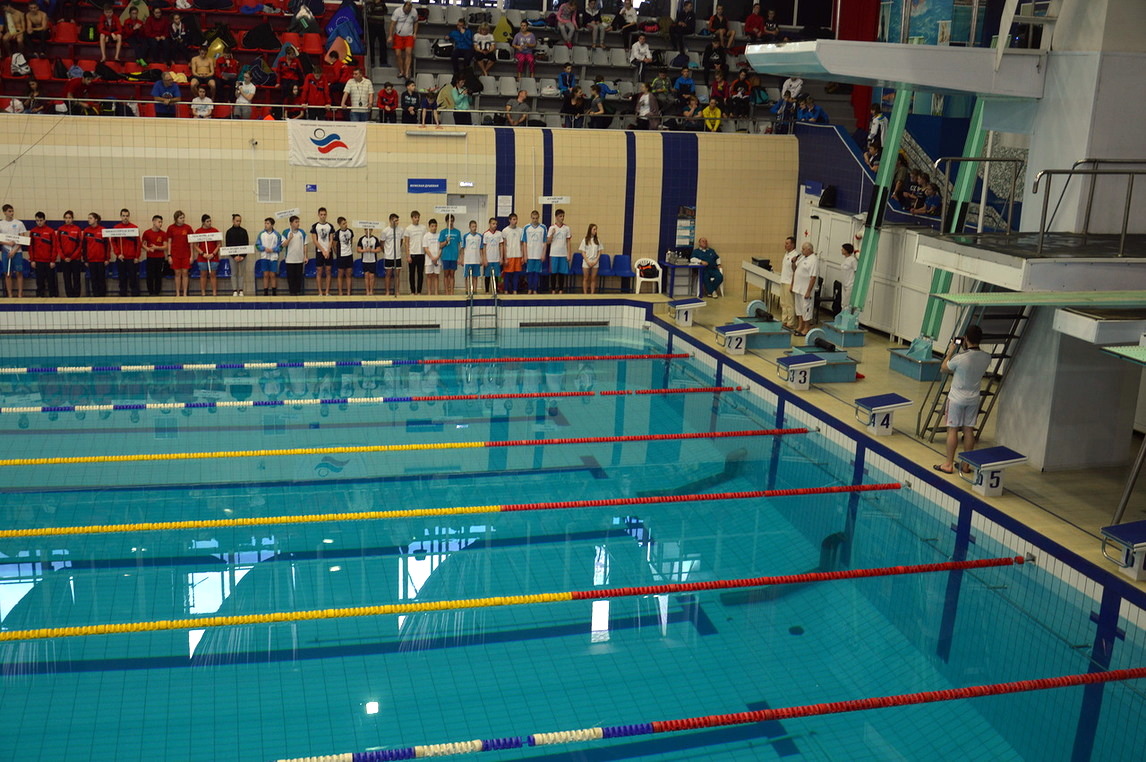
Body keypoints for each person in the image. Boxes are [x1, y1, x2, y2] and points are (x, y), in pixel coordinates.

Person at [934, 325, 991, 475]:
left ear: (965, 339)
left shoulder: (960, 358)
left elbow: (944, 367)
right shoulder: (987, 357)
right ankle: (966, 465)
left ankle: (948, 464)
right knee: (968, 430)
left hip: (956, 398)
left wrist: (950, 352)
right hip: (973, 398)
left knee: (952, 429)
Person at [112, 207, 141, 297]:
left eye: (127, 216)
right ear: (121, 216)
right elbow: (113, 242)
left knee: (133, 277)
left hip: (132, 258)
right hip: (121, 258)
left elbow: (138, 243)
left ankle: (135, 294)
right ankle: (123, 294)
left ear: (129, 216)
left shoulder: (134, 228)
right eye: (123, 216)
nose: (125, 218)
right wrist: (118, 254)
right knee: (122, 277)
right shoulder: (116, 228)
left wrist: (137, 256)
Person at [0, 204, 27, 298]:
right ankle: (10, 295)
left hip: (17, 252)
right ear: (4, 212)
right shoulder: (1, 224)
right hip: (5, 252)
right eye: (9, 211)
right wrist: (7, 243)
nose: (11, 213)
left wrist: (14, 251)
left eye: (12, 211)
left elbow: (23, 239)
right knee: (7, 273)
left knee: (19, 272)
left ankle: (20, 294)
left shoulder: (19, 223)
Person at [791, 242, 818, 335]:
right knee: (799, 309)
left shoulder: (813, 260)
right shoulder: (802, 257)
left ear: (809, 249)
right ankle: (800, 326)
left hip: (805, 290)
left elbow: (813, 277)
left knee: (806, 309)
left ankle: (806, 328)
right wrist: (793, 262)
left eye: (803, 249)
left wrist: (808, 291)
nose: (801, 251)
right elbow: (795, 270)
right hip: (798, 288)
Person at [56, 210, 84, 298]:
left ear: (72, 219)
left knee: (76, 278)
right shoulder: (60, 230)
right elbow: (58, 245)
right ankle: (69, 296)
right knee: (67, 278)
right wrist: (63, 257)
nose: (68, 220)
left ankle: (77, 296)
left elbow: (80, 245)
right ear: (64, 219)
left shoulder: (77, 229)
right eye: (66, 218)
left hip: (75, 259)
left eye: (69, 218)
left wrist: (72, 257)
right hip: (64, 259)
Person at [28, 212, 56, 298]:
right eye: (37, 220)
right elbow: (31, 247)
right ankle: (40, 296)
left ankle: (53, 296)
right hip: (38, 261)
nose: (39, 222)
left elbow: (54, 246)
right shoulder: (33, 231)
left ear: (44, 220)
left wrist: (53, 260)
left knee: (51, 280)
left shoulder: (50, 231)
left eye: (41, 220)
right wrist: (32, 260)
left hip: (49, 261)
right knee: (39, 281)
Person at [388, 0, 418, 81]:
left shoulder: (414, 12)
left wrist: (415, 33)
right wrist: (390, 36)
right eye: (406, 10)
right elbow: (392, 24)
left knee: (408, 52)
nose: (407, 11)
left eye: (409, 10)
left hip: (409, 35)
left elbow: (416, 22)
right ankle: (401, 71)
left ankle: (407, 72)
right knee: (398, 54)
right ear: (403, 7)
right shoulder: (397, 11)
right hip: (398, 35)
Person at [167, 210, 193, 297]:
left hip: (186, 254)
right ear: (176, 219)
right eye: (181, 218)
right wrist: (169, 255)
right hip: (175, 255)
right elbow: (169, 242)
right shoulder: (171, 228)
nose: (183, 219)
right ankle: (178, 293)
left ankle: (185, 293)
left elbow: (191, 243)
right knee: (177, 273)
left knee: (185, 273)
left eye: (183, 218)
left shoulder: (188, 228)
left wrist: (191, 256)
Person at [83, 212, 109, 297]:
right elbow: (84, 246)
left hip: (101, 260)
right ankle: (95, 297)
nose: (88, 220)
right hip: (91, 260)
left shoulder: (103, 230)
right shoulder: (86, 231)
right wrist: (85, 259)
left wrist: (107, 258)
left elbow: (107, 246)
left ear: (96, 219)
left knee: (101, 279)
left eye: (90, 218)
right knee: (93, 280)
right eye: (88, 218)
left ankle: (102, 296)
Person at [141, 214, 168, 296]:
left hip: (160, 258)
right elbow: (143, 244)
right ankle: (150, 292)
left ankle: (157, 292)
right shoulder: (147, 233)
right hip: (150, 258)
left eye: (161, 222)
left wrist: (157, 247)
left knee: (158, 276)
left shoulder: (163, 234)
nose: (160, 224)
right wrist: (148, 249)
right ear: (153, 222)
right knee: (150, 276)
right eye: (159, 222)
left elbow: (165, 246)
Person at [193, 214, 220, 297]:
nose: (209, 223)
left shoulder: (215, 231)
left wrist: (213, 254)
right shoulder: (198, 231)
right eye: (207, 221)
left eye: (210, 221)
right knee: (203, 274)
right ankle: (203, 293)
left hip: (213, 257)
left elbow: (219, 244)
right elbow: (195, 245)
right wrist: (203, 253)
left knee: (213, 274)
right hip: (202, 257)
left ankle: (214, 293)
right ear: (203, 222)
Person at [547, 208, 572, 294]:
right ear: (556, 217)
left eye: (563, 216)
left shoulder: (567, 228)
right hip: (554, 253)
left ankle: (561, 289)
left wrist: (569, 253)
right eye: (560, 216)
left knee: (562, 273)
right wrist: (552, 234)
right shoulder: (552, 228)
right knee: (553, 273)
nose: (562, 218)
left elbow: (568, 241)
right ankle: (553, 289)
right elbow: (548, 242)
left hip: (563, 254)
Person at [255, 217, 282, 296]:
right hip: (264, 257)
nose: (266, 225)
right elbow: (257, 245)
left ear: (272, 225)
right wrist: (264, 248)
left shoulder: (277, 235)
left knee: (273, 275)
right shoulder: (261, 234)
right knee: (266, 275)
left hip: (273, 257)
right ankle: (265, 293)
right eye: (265, 223)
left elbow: (280, 246)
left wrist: (273, 250)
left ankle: (274, 293)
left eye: (267, 223)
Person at [311, 208, 334, 296]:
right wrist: (323, 250)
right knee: (319, 271)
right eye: (321, 214)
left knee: (328, 271)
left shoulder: (330, 226)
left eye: (324, 214)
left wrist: (327, 250)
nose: (323, 216)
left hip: (328, 251)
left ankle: (327, 292)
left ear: (326, 215)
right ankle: (320, 292)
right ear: (318, 215)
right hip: (319, 251)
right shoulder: (315, 226)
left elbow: (331, 240)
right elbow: (315, 240)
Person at [522, 210, 546, 294]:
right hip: (530, 255)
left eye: (536, 218)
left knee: (536, 273)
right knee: (530, 273)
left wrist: (543, 254)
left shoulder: (543, 227)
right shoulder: (526, 228)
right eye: (533, 218)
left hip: (538, 254)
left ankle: (535, 289)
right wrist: (525, 255)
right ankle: (529, 289)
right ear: (531, 218)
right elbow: (524, 242)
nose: (535, 220)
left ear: (538, 218)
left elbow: (545, 242)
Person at [282, 215, 307, 296]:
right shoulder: (285, 232)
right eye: (296, 222)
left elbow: (305, 245)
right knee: (291, 277)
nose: (298, 224)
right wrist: (289, 238)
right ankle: (292, 293)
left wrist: (305, 256)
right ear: (291, 223)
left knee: (298, 277)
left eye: (298, 222)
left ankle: (298, 292)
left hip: (299, 259)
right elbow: (283, 245)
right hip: (290, 259)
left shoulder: (302, 232)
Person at [225, 214, 249, 296]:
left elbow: (246, 244)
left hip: (242, 256)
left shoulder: (244, 231)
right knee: (234, 273)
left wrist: (242, 256)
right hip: (233, 256)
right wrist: (234, 256)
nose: (238, 222)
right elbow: (228, 245)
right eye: (237, 221)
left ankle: (241, 290)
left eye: (240, 221)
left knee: (241, 273)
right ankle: (235, 290)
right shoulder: (229, 232)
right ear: (233, 221)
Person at [404, 210, 427, 294]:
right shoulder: (408, 229)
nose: (417, 219)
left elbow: (426, 240)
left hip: (421, 253)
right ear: (412, 218)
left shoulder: (423, 228)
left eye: (418, 217)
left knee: (420, 273)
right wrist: (408, 255)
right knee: (412, 274)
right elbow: (406, 243)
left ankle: (419, 291)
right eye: (415, 217)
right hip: (412, 254)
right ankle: (413, 291)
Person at [777, 235, 797, 328]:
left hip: (789, 282)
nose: (785, 245)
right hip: (783, 280)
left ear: (792, 245)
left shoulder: (795, 255)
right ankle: (784, 320)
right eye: (785, 243)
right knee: (783, 303)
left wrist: (792, 284)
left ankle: (791, 322)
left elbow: (795, 271)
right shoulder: (786, 254)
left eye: (787, 243)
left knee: (790, 304)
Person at [438, 213, 460, 294]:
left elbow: (459, 245)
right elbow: (440, 245)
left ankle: (452, 292)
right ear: (446, 221)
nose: (451, 223)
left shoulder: (457, 232)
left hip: (454, 256)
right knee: (446, 275)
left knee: (452, 275)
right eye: (449, 221)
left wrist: (459, 257)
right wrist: (446, 241)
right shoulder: (443, 232)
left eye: (452, 221)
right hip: (445, 256)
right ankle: (447, 292)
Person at [381, 213, 403, 295]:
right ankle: (387, 292)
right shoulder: (385, 231)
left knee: (397, 275)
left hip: (397, 256)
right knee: (388, 275)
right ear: (390, 221)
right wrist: (386, 252)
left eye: (397, 221)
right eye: (395, 221)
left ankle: (397, 291)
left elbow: (401, 241)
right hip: (388, 256)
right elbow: (382, 243)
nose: (397, 222)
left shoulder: (401, 230)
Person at [332, 217, 355, 296]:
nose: (345, 225)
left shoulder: (350, 231)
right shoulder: (337, 233)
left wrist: (348, 250)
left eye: (346, 223)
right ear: (339, 224)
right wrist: (338, 254)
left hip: (349, 256)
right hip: (341, 256)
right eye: (343, 224)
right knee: (340, 275)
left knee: (349, 275)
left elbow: (351, 243)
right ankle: (340, 292)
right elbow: (334, 245)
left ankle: (348, 292)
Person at [501, 212, 522, 293]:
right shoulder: (505, 231)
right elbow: (504, 245)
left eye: (516, 219)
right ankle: (506, 290)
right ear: (509, 220)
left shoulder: (520, 230)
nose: (515, 221)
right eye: (513, 219)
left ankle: (515, 290)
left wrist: (523, 256)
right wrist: (505, 258)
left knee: (516, 274)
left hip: (518, 255)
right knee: (507, 274)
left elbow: (521, 244)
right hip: (509, 255)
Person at [577, 223, 601, 294]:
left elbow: (599, 252)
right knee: (586, 278)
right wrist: (587, 261)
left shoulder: (597, 240)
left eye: (596, 229)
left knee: (593, 278)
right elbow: (583, 252)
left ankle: (592, 293)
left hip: (595, 261)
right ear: (590, 230)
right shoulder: (585, 240)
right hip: (586, 261)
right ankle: (585, 294)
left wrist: (596, 260)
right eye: (594, 229)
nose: (595, 231)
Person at [461, 219, 483, 295]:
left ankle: (475, 290)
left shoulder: (479, 236)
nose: (474, 228)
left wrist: (481, 259)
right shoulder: (465, 236)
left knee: (475, 276)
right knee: (467, 276)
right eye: (473, 226)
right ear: (469, 227)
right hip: (468, 260)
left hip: (476, 260)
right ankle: (467, 290)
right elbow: (462, 248)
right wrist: (462, 259)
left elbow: (481, 249)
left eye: (475, 226)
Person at [481, 217, 503, 293]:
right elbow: (484, 247)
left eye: (496, 224)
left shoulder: (499, 233)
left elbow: (501, 246)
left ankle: (495, 290)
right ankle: (487, 291)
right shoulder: (486, 234)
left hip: (496, 259)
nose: (495, 225)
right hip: (488, 259)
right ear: (489, 224)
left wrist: (501, 257)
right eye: (493, 224)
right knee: (487, 276)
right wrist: (484, 259)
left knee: (496, 276)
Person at [357, 225, 379, 295]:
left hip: (372, 260)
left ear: (371, 230)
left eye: (369, 229)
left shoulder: (375, 239)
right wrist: (365, 250)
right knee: (366, 275)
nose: (367, 231)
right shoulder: (361, 239)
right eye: (366, 229)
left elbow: (378, 249)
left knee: (372, 276)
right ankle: (367, 291)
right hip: (365, 260)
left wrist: (372, 250)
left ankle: (371, 291)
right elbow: (358, 249)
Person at [421, 218, 440, 295]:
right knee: (429, 276)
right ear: (429, 226)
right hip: (429, 259)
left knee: (436, 276)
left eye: (435, 226)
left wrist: (437, 257)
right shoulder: (426, 236)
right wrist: (432, 257)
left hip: (437, 259)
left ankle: (436, 292)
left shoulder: (439, 235)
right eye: (432, 226)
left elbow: (441, 247)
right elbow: (425, 248)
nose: (434, 228)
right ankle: (429, 292)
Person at [840, 243, 857, 309]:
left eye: (843, 249)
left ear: (847, 250)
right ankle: (842, 314)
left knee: (847, 304)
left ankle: (846, 314)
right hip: (844, 284)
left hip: (850, 284)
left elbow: (856, 271)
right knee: (843, 303)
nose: (841, 250)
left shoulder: (853, 260)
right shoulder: (845, 259)